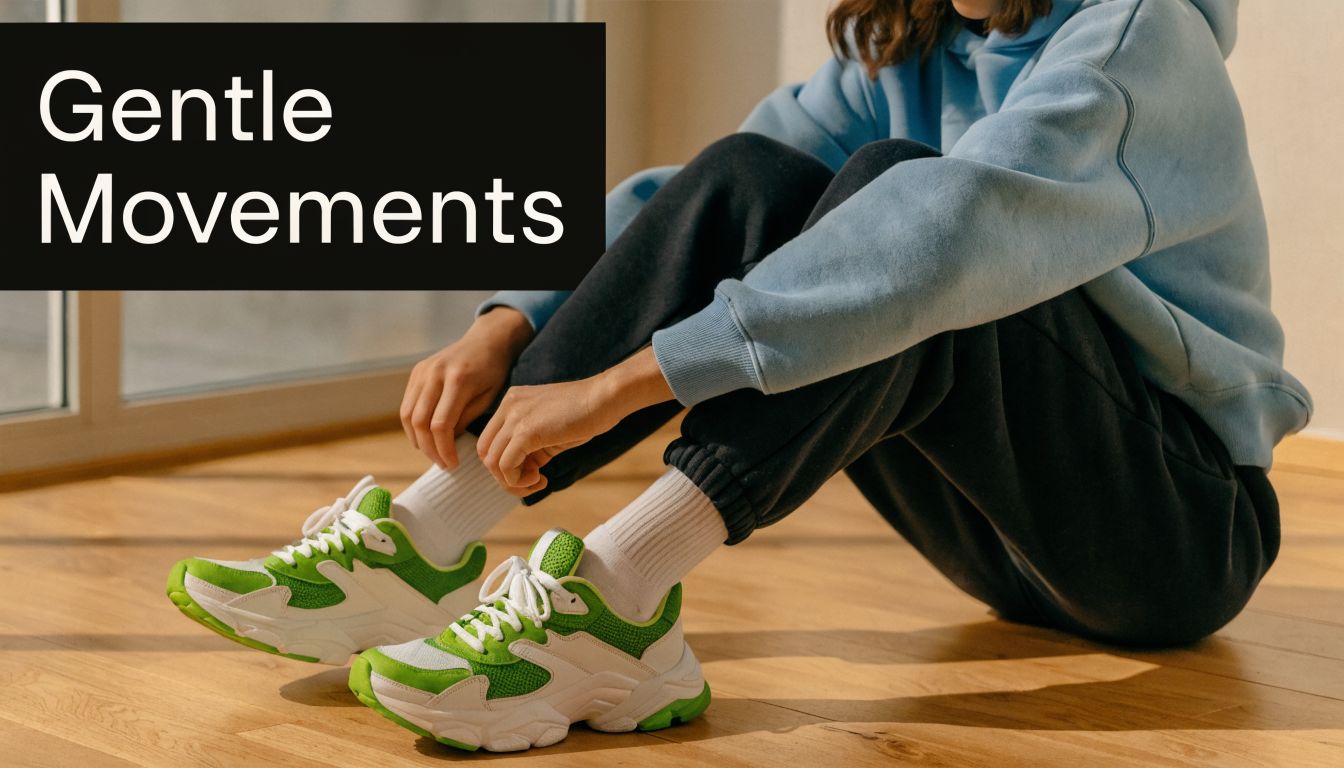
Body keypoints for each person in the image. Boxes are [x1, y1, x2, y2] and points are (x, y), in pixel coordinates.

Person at [167, 0, 1310, 753]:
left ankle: (618, 594)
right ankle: (432, 538)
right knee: (757, 177)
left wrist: (630, 385)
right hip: (999, 540)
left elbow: (949, 235)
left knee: (909, 218)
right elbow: (707, 201)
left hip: (1171, 538)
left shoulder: (1134, 37)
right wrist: (517, 320)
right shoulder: (908, 37)